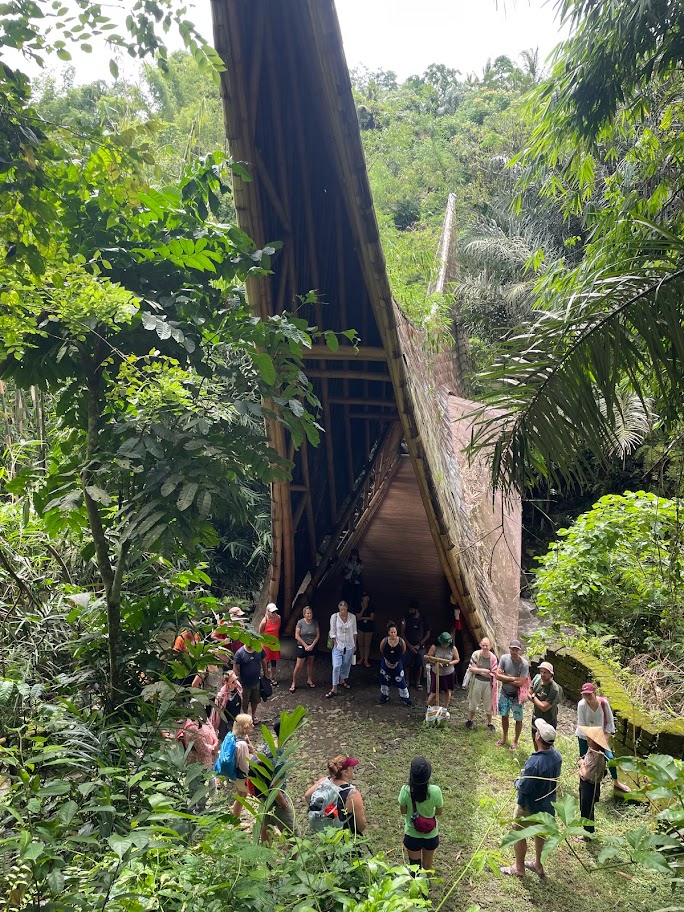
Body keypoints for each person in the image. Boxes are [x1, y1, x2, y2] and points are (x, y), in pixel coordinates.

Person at [500, 718, 562, 879]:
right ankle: (538, 864)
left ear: (538, 738)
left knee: (518, 833)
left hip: (529, 806)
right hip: (547, 805)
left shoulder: (535, 763)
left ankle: (519, 867)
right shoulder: (557, 756)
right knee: (540, 833)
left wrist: (518, 780)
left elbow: (525, 787)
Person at [576, 681, 631, 793]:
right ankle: (584, 779)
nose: (587, 697)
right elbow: (582, 725)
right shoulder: (581, 705)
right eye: (584, 694)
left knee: (610, 758)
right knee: (584, 758)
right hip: (585, 736)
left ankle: (616, 781)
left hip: (600, 736)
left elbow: (609, 724)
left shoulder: (603, 703)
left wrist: (603, 741)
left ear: (594, 693)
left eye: (589, 694)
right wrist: (590, 743)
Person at [252, 720, 296, 841]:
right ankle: (292, 859)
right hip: (275, 800)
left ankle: (266, 856)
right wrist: (284, 805)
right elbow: (276, 790)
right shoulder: (279, 759)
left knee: (266, 826)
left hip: (264, 794)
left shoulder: (269, 745)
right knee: (293, 835)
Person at [398, 756, 443, 870]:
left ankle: (416, 886)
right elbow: (439, 812)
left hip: (412, 835)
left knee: (414, 867)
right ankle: (427, 885)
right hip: (431, 835)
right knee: (428, 866)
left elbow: (403, 811)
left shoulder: (405, 790)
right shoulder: (435, 790)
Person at [304, 755, 367, 834]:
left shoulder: (323, 781)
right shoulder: (352, 794)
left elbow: (307, 795)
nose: (353, 769)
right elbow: (362, 825)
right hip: (341, 834)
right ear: (345, 772)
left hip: (323, 831)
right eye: (352, 768)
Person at [495, 639, 530, 750]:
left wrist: (505, 678)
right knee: (504, 716)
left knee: (518, 719)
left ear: (519, 650)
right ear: (509, 648)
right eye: (512, 649)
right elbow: (497, 676)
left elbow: (521, 683)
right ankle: (504, 737)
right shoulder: (504, 658)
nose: (513, 651)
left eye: (516, 649)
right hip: (505, 693)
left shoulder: (524, 664)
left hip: (517, 696)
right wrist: (513, 678)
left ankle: (515, 741)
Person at [577, 725, 608, 837]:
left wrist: (581, 764)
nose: (588, 741)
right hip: (586, 784)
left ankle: (587, 834)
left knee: (587, 810)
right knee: (583, 807)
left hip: (590, 786)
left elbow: (585, 775)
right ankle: (586, 831)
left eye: (591, 739)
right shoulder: (591, 750)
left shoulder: (598, 757)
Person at [326, 600, 357, 698]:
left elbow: (354, 631)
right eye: (341, 609)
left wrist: (355, 643)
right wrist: (335, 643)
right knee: (336, 665)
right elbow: (332, 631)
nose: (342, 611)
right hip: (338, 644)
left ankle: (342, 679)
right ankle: (334, 687)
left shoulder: (352, 617)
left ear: (347, 608)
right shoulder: (334, 617)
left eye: (344, 609)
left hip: (349, 644)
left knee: (346, 664)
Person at [466, 638, 498, 730]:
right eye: (483, 645)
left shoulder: (493, 658)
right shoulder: (476, 654)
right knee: (473, 701)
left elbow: (493, 674)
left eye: (486, 645)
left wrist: (478, 670)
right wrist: (483, 671)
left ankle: (490, 723)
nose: (485, 647)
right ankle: (470, 720)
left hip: (488, 684)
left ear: (490, 646)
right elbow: (471, 668)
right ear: (480, 645)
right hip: (476, 681)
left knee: (488, 703)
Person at [379, 622, 411, 706]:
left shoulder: (401, 641)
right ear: (388, 633)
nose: (393, 634)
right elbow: (382, 650)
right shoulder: (384, 641)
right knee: (384, 679)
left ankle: (406, 699)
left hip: (397, 663)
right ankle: (384, 696)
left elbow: (403, 651)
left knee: (401, 680)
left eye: (394, 632)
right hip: (386, 662)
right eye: (391, 632)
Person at [425, 632, 460, 710]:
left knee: (447, 691)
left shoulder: (452, 648)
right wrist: (436, 662)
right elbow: (428, 657)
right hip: (437, 672)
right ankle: (428, 707)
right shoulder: (435, 647)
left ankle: (445, 707)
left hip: (449, 672)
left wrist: (449, 663)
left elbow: (457, 659)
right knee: (434, 692)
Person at [527, 661, 563, 736]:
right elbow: (528, 693)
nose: (542, 674)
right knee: (535, 738)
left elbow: (544, 707)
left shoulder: (554, 689)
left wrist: (534, 697)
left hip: (548, 720)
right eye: (541, 672)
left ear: (551, 674)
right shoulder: (537, 678)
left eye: (545, 672)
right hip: (536, 716)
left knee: (546, 743)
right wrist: (538, 702)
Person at [233, 641, 267, 721]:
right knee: (245, 702)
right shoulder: (240, 653)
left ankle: (253, 715)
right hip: (244, 684)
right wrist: (237, 681)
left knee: (255, 700)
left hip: (256, 681)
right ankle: (246, 716)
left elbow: (264, 661)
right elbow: (235, 668)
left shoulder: (259, 649)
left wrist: (266, 674)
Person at [401, 601, 431, 690]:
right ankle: (407, 680)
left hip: (420, 646)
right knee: (407, 663)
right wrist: (409, 645)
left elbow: (428, 633)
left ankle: (418, 682)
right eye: (410, 609)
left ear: (416, 609)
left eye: (412, 609)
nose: (410, 611)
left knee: (420, 663)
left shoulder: (423, 618)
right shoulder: (406, 617)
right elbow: (402, 632)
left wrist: (419, 644)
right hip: (408, 644)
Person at [290, 605, 320, 691]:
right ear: (304, 614)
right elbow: (297, 635)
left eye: (310, 613)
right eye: (307, 613)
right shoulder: (300, 622)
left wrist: (312, 645)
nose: (309, 615)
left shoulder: (315, 622)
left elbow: (317, 635)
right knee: (299, 665)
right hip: (302, 645)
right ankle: (294, 682)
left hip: (312, 645)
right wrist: (305, 645)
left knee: (310, 663)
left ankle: (309, 679)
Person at [231, 713, 255, 819]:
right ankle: (236, 821)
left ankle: (236, 820)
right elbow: (245, 765)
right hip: (241, 776)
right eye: (251, 724)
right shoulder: (242, 745)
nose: (253, 726)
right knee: (242, 797)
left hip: (235, 773)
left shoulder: (235, 736)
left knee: (241, 796)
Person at [210, 669, 243, 742]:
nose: (236, 683)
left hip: (235, 719)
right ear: (226, 682)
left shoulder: (238, 689)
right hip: (226, 723)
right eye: (233, 682)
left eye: (236, 679)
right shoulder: (222, 695)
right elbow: (216, 713)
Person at [259, 603, 281, 686]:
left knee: (274, 660)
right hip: (266, 644)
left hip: (275, 642)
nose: (274, 614)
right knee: (265, 661)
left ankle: (273, 676)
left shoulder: (279, 618)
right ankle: (266, 676)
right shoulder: (264, 621)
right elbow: (260, 633)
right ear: (267, 612)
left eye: (275, 612)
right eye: (272, 612)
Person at [356, 592, 375, 667]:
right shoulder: (358, 605)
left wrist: (362, 618)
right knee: (360, 644)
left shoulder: (371, 606)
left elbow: (372, 617)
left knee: (367, 644)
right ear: (362, 598)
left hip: (369, 628)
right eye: (365, 597)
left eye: (367, 597)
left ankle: (366, 660)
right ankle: (361, 658)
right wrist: (363, 609)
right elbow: (357, 617)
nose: (366, 599)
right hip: (360, 627)